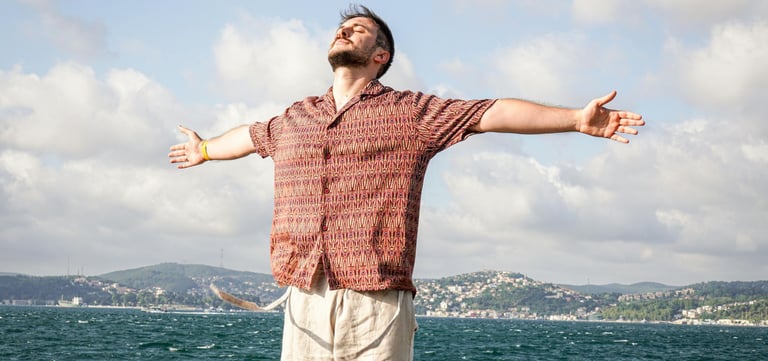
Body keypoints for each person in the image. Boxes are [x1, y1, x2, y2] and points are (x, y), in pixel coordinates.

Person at [169, 5, 644, 360]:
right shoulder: (296, 117)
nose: (343, 30)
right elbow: (250, 138)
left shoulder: (411, 114)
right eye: (341, 26)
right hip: (304, 295)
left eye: (358, 29)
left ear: (381, 54)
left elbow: (490, 112)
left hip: (376, 300)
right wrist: (204, 149)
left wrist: (574, 120)